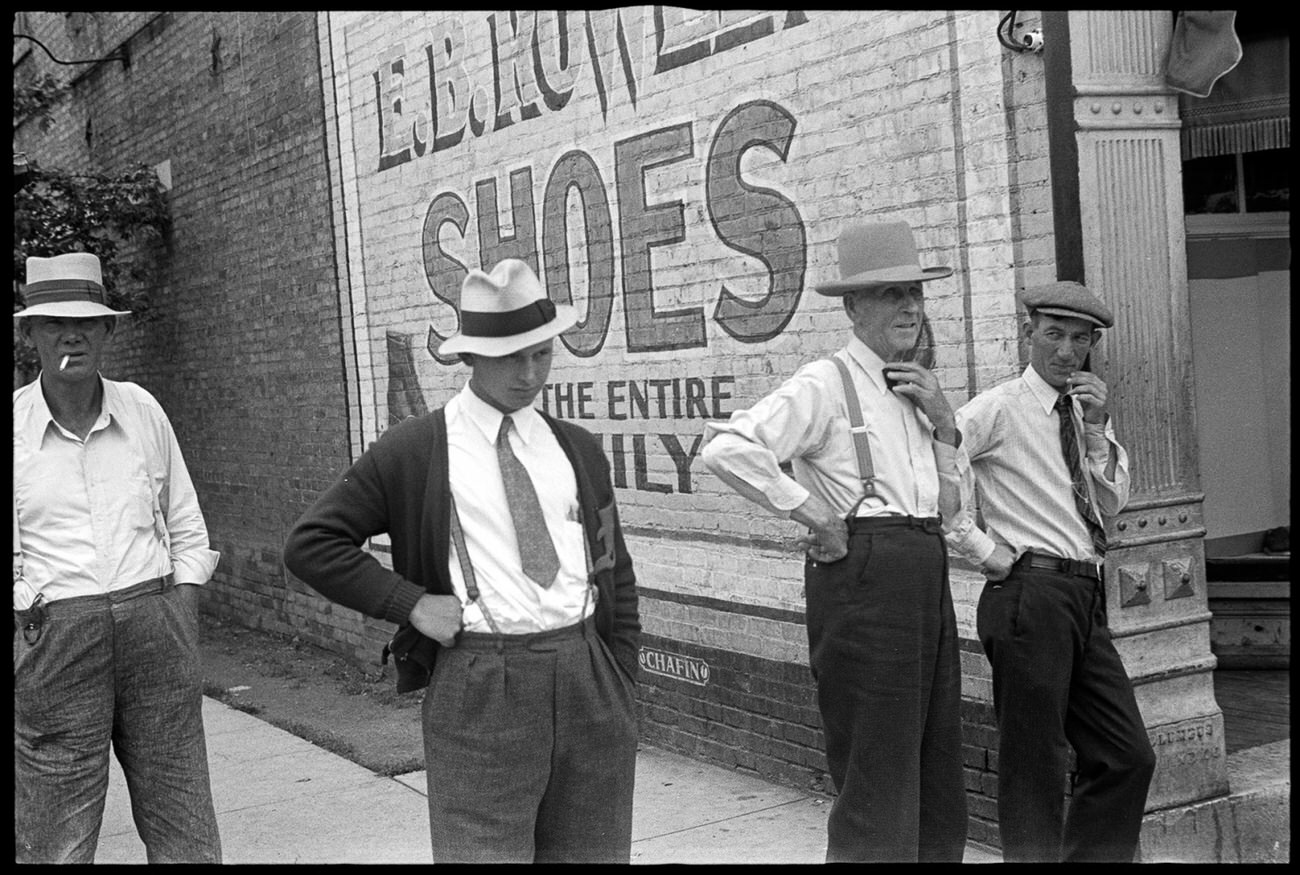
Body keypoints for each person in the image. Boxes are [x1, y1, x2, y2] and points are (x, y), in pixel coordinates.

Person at [283, 258, 640, 864]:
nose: (530, 374)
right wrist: (411, 604)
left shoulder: (576, 448)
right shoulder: (417, 449)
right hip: (482, 681)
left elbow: (616, 570)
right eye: (510, 358)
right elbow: (311, 544)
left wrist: (621, 675)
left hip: (588, 674)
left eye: (542, 354)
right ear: (469, 357)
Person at [701, 222, 968, 863]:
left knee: (936, 763)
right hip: (864, 579)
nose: (908, 306)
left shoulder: (916, 389)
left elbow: (948, 509)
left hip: (924, 570)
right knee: (875, 770)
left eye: (914, 292)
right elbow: (727, 447)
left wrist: (945, 427)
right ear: (852, 308)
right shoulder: (826, 383)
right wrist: (809, 511)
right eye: (888, 294)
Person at [13, 252, 223, 863]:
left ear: (108, 331)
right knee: (58, 838)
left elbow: (183, 516)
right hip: (57, 634)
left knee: (182, 817)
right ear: (30, 334)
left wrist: (181, 602)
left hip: (154, 622)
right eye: (53, 322)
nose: (70, 334)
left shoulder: (141, 409)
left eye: (85, 322)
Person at [945, 280, 1156, 862]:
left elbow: (1112, 503)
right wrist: (979, 547)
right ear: (1028, 333)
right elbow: (938, 465)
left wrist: (1096, 427)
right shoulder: (999, 406)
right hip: (1030, 592)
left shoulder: (1084, 411)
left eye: (1080, 340)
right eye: (1054, 334)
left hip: (1085, 595)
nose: (1066, 351)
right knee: (1035, 763)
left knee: (1126, 755)